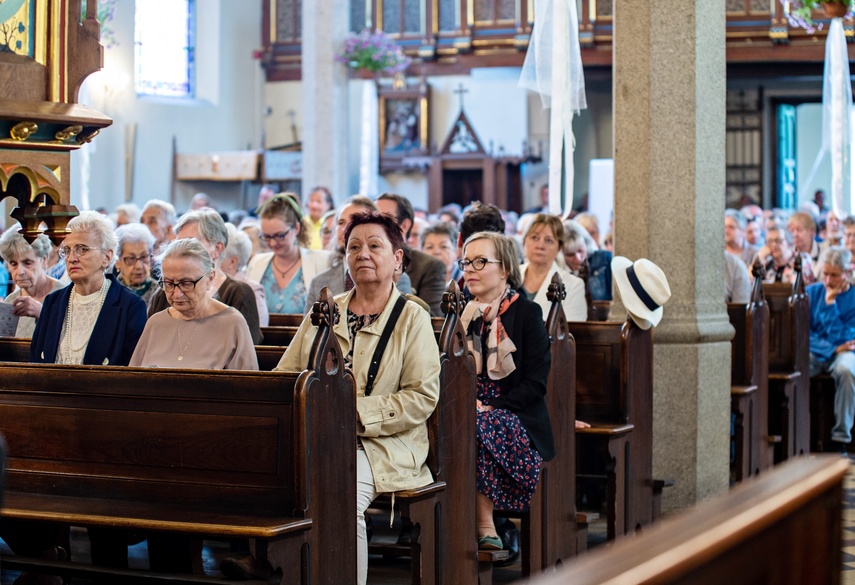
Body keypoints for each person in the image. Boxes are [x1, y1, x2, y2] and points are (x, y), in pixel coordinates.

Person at [274, 210, 440, 585]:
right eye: (353, 246)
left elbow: (421, 397)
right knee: (276, 482)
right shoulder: (325, 311)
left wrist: (354, 415)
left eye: (375, 245)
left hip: (385, 445)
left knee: (339, 494)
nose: (362, 253)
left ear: (397, 258)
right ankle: (277, 564)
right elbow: (286, 376)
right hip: (319, 438)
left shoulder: (412, 317)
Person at [459, 231, 554, 551]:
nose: (469, 269)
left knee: (478, 425)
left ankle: (485, 523)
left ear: (505, 270)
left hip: (516, 412)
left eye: (480, 261)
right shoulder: (459, 315)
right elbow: (444, 372)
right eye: (466, 262)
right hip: (466, 404)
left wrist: (491, 405)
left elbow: (535, 384)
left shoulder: (527, 313)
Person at [31, 210, 147, 365]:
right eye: (67, 250)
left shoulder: (130, 306)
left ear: (107, 257)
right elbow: (36, 362)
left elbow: (132, 369)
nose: (72, 258)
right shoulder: (53, 302)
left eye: (82, 249)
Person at [131, 238, 258, 370]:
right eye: (169, 283)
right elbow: (133, 382)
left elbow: (248, 386)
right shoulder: (156, 323)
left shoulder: (232, 324)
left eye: (186, 284)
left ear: (210, 278)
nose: (176, 294)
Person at [148, 209, 263, 344]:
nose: (181, 252)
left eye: (192, 244)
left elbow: (247, 347)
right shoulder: (164, 293)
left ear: (217, 249)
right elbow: (151, 343)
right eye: (178, 244)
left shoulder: (238, 292)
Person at [305, 196, 411, 313]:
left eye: (354, 221)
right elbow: (310, 329)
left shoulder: (397, 277)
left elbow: (404, 319)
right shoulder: (319, 282)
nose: (345, 228)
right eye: (341, 222)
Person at [246, 193, 329, 314]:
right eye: (266, 237)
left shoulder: (321, 262)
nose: (273, 243)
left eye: (279, 236)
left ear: (296, 228)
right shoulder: (256, 263)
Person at [807, 246, 855, 454]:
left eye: (834, 275)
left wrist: (829, 305)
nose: (828, 281)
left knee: (847, 371)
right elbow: (803, 334)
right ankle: (798, 433)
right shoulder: (811, 292)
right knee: (794, 369)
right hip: (815, 352)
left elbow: (847, 339)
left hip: (845, 353)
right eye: (825, 274)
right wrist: (832, 348)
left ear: (847, 272)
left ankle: (840, 438)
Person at [376, 193, 446, 316]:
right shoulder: (365, 260)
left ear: (404, 225)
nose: (374, 226)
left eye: (383, 220)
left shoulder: (429, 266)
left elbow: (433, 321)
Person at [520, 214, 587, 322]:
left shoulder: (574, 285)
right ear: (524, 241)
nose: (540, 246)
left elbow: (573, 332)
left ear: (559, 247)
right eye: (534, 238)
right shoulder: (509, 276)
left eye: (549, 240)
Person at [0, 229, 64, 337]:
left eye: (28, 263)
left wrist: (41, 314)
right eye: (13, 264)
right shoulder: (11, 301)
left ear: (44, 260)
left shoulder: (63, 294)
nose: (20, 272)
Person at [220, 223, 269, 327]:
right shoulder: (209, 285)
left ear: (232, 262)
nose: (211, 261)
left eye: (218, 257)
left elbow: (257, 332)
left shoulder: (252, 290)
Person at [114, 223, 160, 311]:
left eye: (144, 257)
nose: (139, 266)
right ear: (117, 262)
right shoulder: (109, 294)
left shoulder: (161, 294)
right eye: (131, 259)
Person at [788, 212, 821, 278]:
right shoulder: (788, 255)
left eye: (799, 230)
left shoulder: (823, 253)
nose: (795, 235)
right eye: (792, 231)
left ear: (812, 231)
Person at [303, 186, 335, 250]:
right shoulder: (301, 222)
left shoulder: (333, 224)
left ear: (328, 205)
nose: (314, 205)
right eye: (311, 201)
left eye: (319, 201)